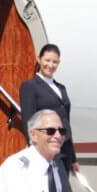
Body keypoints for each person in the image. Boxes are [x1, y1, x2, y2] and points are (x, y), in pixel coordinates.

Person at [19, 44, 79, 177]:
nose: (50, 65)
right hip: (47, 148)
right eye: (47, 60)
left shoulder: (61, 88)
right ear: (39, 59)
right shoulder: (30, 87)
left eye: (55, 62)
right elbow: (28, 121)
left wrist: (73, 158)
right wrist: (34, 149)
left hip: (65, 149)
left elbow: (66, 122)